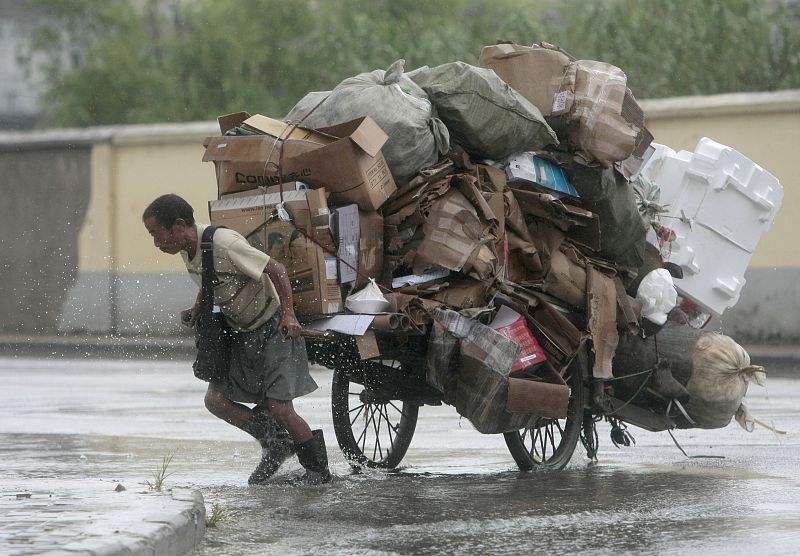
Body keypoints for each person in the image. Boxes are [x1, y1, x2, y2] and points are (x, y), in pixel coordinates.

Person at [142, 193, 331, 485]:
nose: (156, 243)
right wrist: (197, 309)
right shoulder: (188, 248)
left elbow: (276, 269)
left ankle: (319, 472)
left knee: (281, 408)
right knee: (216, 400)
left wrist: (289, 316)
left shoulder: (225, 244)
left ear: (179, 226)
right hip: (240, 334)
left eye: (157, 234)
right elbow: (211, 278)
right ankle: (277, 443)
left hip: (272, 328)